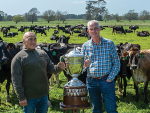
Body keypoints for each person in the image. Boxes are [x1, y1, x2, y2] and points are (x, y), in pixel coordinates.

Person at [11, 32, 66, 113]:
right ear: (23, 41)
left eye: (34, 39)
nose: (33, 42)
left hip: (44, 96)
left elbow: (51, 69)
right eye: (30, 39)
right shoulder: (18, 58)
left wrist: (59, 67)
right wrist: (21, 97)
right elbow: (16, 80)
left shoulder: (42, 53)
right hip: (29, 98)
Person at [81, 20, 120, 113]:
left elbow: (117, 63)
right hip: (91, 81)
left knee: (111, 108)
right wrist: (84, 66)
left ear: (100, 29)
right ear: (88, 31)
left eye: (95, 28)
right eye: (91, 29)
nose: (94, 31)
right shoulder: (85, 46)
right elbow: (80, 69)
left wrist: (110, 78)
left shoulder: (109, 43)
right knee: (96, 109)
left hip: (106, 80)